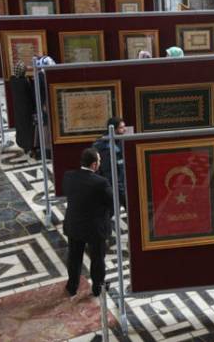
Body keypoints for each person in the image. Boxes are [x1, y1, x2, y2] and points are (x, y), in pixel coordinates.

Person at [63, 148, 113, 298]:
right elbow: (112, 202)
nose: (100, 163)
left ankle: (72, 286)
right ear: (94, 164)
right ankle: (97, 287)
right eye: (99, 161)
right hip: (94, 229)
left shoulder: (69, 176)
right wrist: (106, 216)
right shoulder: (101, 183)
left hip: (74, 224)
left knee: (74, 257)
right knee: (97, 259)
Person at [92, 117, 126, 205]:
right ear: (114, 129)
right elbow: (105, 170)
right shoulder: (102, 145)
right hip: (111, 184)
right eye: (121, 128)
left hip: (120, 183)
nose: (124, 130)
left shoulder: (120, 141)